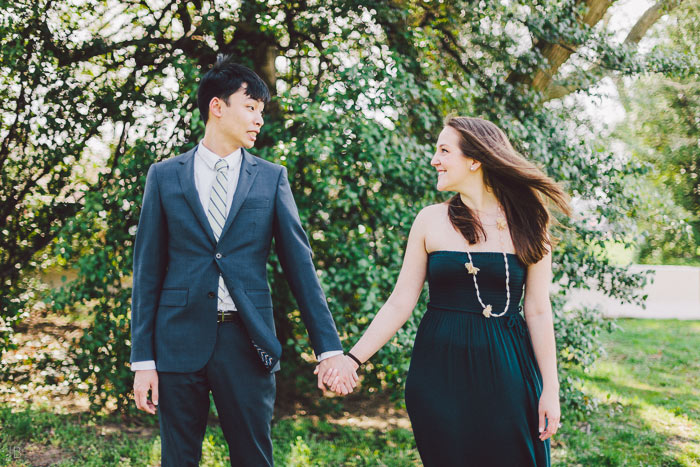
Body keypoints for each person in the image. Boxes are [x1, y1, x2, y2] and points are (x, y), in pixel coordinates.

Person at [129, 55, 358, 467]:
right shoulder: (163, 176)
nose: (258, 120)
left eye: (261, 111)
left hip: (247, 341)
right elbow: (147, 272)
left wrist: (328, 350)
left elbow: (300, 268)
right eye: (250, 107)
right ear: (217, 107)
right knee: (177, 459)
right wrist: (143, 361)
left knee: (254, 458)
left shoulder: (272, 178)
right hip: (177, 341)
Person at [322, 116, 570, 466]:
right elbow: (400, 301)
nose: (434, 160)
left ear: (475, 160)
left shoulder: (530, 222)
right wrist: (352, 359)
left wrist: (551, 387)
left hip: (509, 370)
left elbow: (539, 310)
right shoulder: (430, 220)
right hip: (439, 375)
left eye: (443, 150)